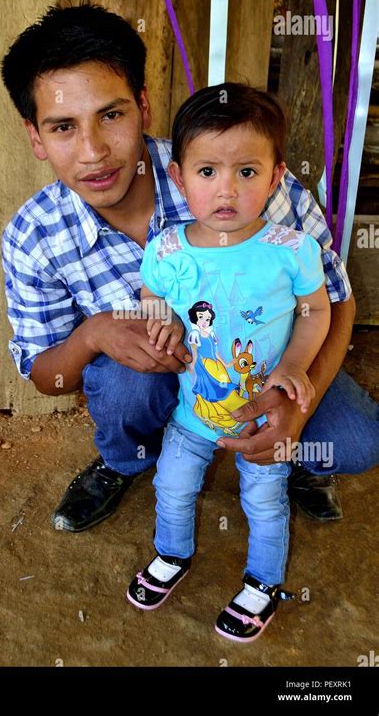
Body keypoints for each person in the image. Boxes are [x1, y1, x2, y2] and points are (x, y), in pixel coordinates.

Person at [0, 4, 377, 538]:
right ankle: (125, 461)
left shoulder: (241, 172)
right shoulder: (34, 236)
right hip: (165, 379)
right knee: (126, 380)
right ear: (36, 138)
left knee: (355, 442)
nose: (94, 151)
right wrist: (95, 332)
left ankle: (289, 456)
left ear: (144, 106)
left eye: (112, 115)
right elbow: (45, 375)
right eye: (63, 127)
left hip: (268, 360)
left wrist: (301, 396)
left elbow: (335, 301)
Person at [126, 83, 331, 642]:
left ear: (275, 176)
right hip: (193, 415)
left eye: (246, 171)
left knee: (263, 500)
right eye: (208, 171)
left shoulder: (292, 250)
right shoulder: (168, 249)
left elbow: (317, 311)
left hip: (264, 417)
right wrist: (160, 320)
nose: (226, 189)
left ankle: (262, 583)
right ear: (178, 176)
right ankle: (172, 554)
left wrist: (295, 364)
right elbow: (151, 294)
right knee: (172, 485)